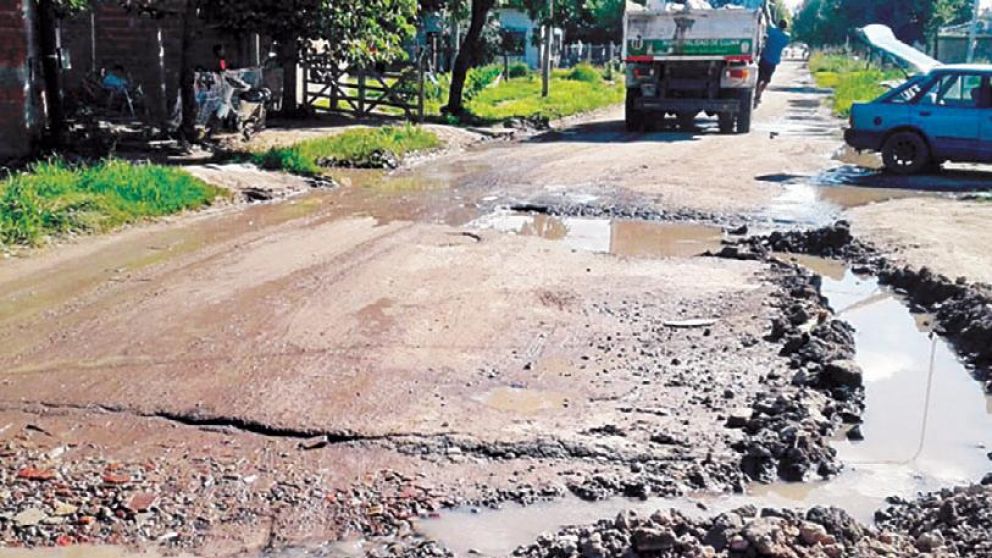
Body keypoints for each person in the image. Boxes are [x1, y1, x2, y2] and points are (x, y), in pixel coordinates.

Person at [755, 19, 790, 107]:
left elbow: (768, 26)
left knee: (759, 78)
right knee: (767, 80)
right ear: (785, 27)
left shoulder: (772, 31)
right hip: (773, 61)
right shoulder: (786, 37)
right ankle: (759, 93)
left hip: (764, 58)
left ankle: (757, 93)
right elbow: (784, 44)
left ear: (778, 24)